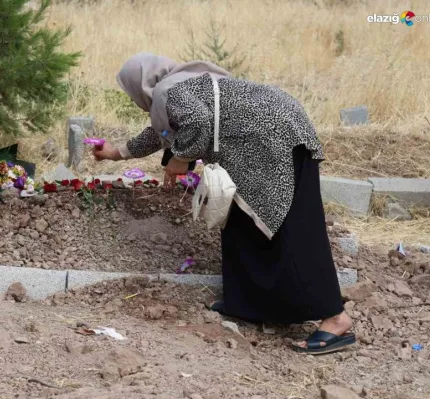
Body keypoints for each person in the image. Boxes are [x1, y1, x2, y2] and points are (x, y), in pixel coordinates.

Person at [91, 52, 355, 354]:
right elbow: (164, 130)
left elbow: (197, 122)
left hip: (279, 140)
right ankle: (251, 303)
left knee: (294, 228)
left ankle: (336, 319)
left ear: (140, 84)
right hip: (270, 135)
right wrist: (118, 152)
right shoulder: (178, 86)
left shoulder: (169, 91)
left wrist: (179, 159)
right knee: (242, 220)